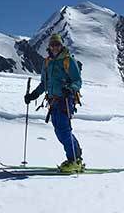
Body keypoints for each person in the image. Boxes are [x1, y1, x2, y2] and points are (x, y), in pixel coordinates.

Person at [24, 33, 84, 172]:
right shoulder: (47, 62)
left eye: (57, 44)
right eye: (52, 45)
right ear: (49, 47)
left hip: (65, 100)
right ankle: (77, 156)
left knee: (64, 131)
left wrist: (70, 89)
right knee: (59, 131)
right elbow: (44, 83)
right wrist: (33, 95)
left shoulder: (68, 61)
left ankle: (73, 160)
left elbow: (77, 81)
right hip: (53, 101)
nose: (55, 47)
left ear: (61, 45)